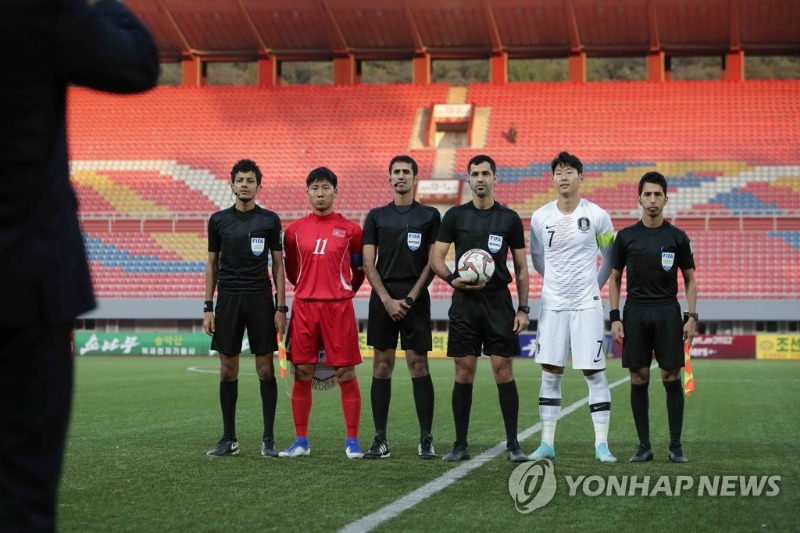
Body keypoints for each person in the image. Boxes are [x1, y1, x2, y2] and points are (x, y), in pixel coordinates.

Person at [0, 1, 158, 530]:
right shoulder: (34, 12)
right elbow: (136, 62)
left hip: (27, 274)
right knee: (23, 486)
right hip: (25, 277)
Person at [431, 154, 530, 463]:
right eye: (475, 173)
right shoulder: (455, 217)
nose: (481, 178)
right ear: (469, 180)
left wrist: (523, 308)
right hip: (464, 302)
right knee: (464, 371)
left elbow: (522, 268)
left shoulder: (509, 218)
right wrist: (452, 280)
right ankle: (460, 444)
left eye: (486, 173)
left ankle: (513, 443)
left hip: (498, 301)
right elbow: (436, 259)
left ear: (495, 178)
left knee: (503, 369)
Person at [528, 152, 618, 464]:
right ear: (552, 179)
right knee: (550, 372)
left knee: (594, 372)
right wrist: (554, 281)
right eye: (559, 172)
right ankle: (547, 443)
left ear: (581, 177)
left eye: (570, 172)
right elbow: (537, 256)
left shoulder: (598, 215)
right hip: (553, 304)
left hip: (586, 304)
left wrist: (594, 284)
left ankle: (602, 445)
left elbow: (610, 255)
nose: (564, 177)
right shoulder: (540, 218)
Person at [608, 171, 697, 463]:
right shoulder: (625, 237)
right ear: (639, 199)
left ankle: (675, 445)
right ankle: (644, 445)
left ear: (666, 199)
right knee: (639, 376)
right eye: (648, 194)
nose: (653, 200)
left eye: (658, 194)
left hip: (668, 311)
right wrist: (615, 316)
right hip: (635, 311)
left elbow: (690, 279)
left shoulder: (677, 237)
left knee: (671, 375)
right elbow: (614, 278)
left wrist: (691, 316)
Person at [280, 167, 366, 459]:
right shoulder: (293, 231)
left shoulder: (352, 230)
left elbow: (358, 271)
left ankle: (352, 442)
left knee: (345, 372)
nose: (320, 193)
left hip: (339, 307)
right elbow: (291, 271)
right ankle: (301, 441)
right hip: (304, 306)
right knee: (302, 372)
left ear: (335, 192)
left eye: (325, 188)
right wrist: (309, 287)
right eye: (315, 188)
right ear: (307, 193)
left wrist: (341, 290)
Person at [203, 159, 287, 458]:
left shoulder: (269, 220)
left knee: (265, 369)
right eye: (240, 180)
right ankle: (229, 439)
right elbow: (212, 265)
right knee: (227, 370)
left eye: (250, 180)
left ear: (258, 186)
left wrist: (281, 307)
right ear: (232, 184)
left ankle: (268, 439)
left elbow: (278, 265)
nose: (244, 185)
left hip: (261, 299)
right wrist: (208, 307)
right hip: (228, 300)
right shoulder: (218, 221)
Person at [362, 155, 441, 459]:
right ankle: (380, 439)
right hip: (383, 297)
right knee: (381, 365)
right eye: (396, 171)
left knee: (418, 364)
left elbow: (433, 263)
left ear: (415, 178)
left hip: (415, 298)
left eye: (406, 172)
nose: (401, 176)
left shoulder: (430, 215)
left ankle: (426, 438)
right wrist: (386, 299)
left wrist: (409, 299)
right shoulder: (376, 216)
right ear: (389, 178)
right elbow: (369, 264)